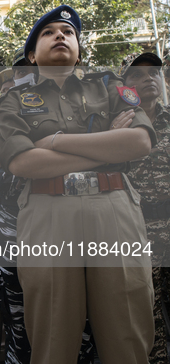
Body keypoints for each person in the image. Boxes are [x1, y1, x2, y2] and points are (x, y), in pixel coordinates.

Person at [0, 5, 156, 364]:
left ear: (80, 48)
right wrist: (107, 143)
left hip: (114, 208)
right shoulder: (14, 99)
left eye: (68, 32)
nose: (60, 36)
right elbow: (24, 162)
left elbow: (139, 142)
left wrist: (53, 142)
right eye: (49, 32)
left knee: (128, 334)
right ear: (31, 55)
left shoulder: (109, 85)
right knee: (53, 339)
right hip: (47, 213)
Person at [114, 52, 169, 364]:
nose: (148, 79)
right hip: (135, 232)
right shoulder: (115, 124)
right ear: (124, 85)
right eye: (137, 75)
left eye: (153, 73)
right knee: (147, 319)